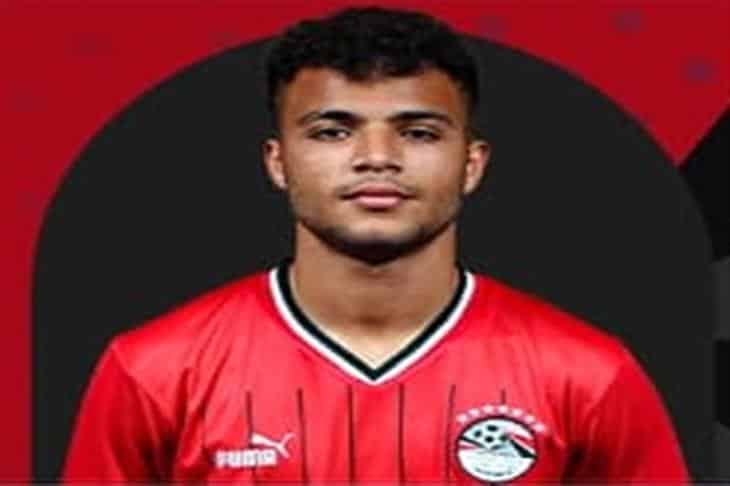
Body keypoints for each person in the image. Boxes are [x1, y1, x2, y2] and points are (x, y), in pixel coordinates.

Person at [63, 7, 689, 484]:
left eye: (418, 132)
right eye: (333, 131)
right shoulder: (153, 372)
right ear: (278, 162)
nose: (376, 158)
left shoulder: (588, 376)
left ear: (471, 164)